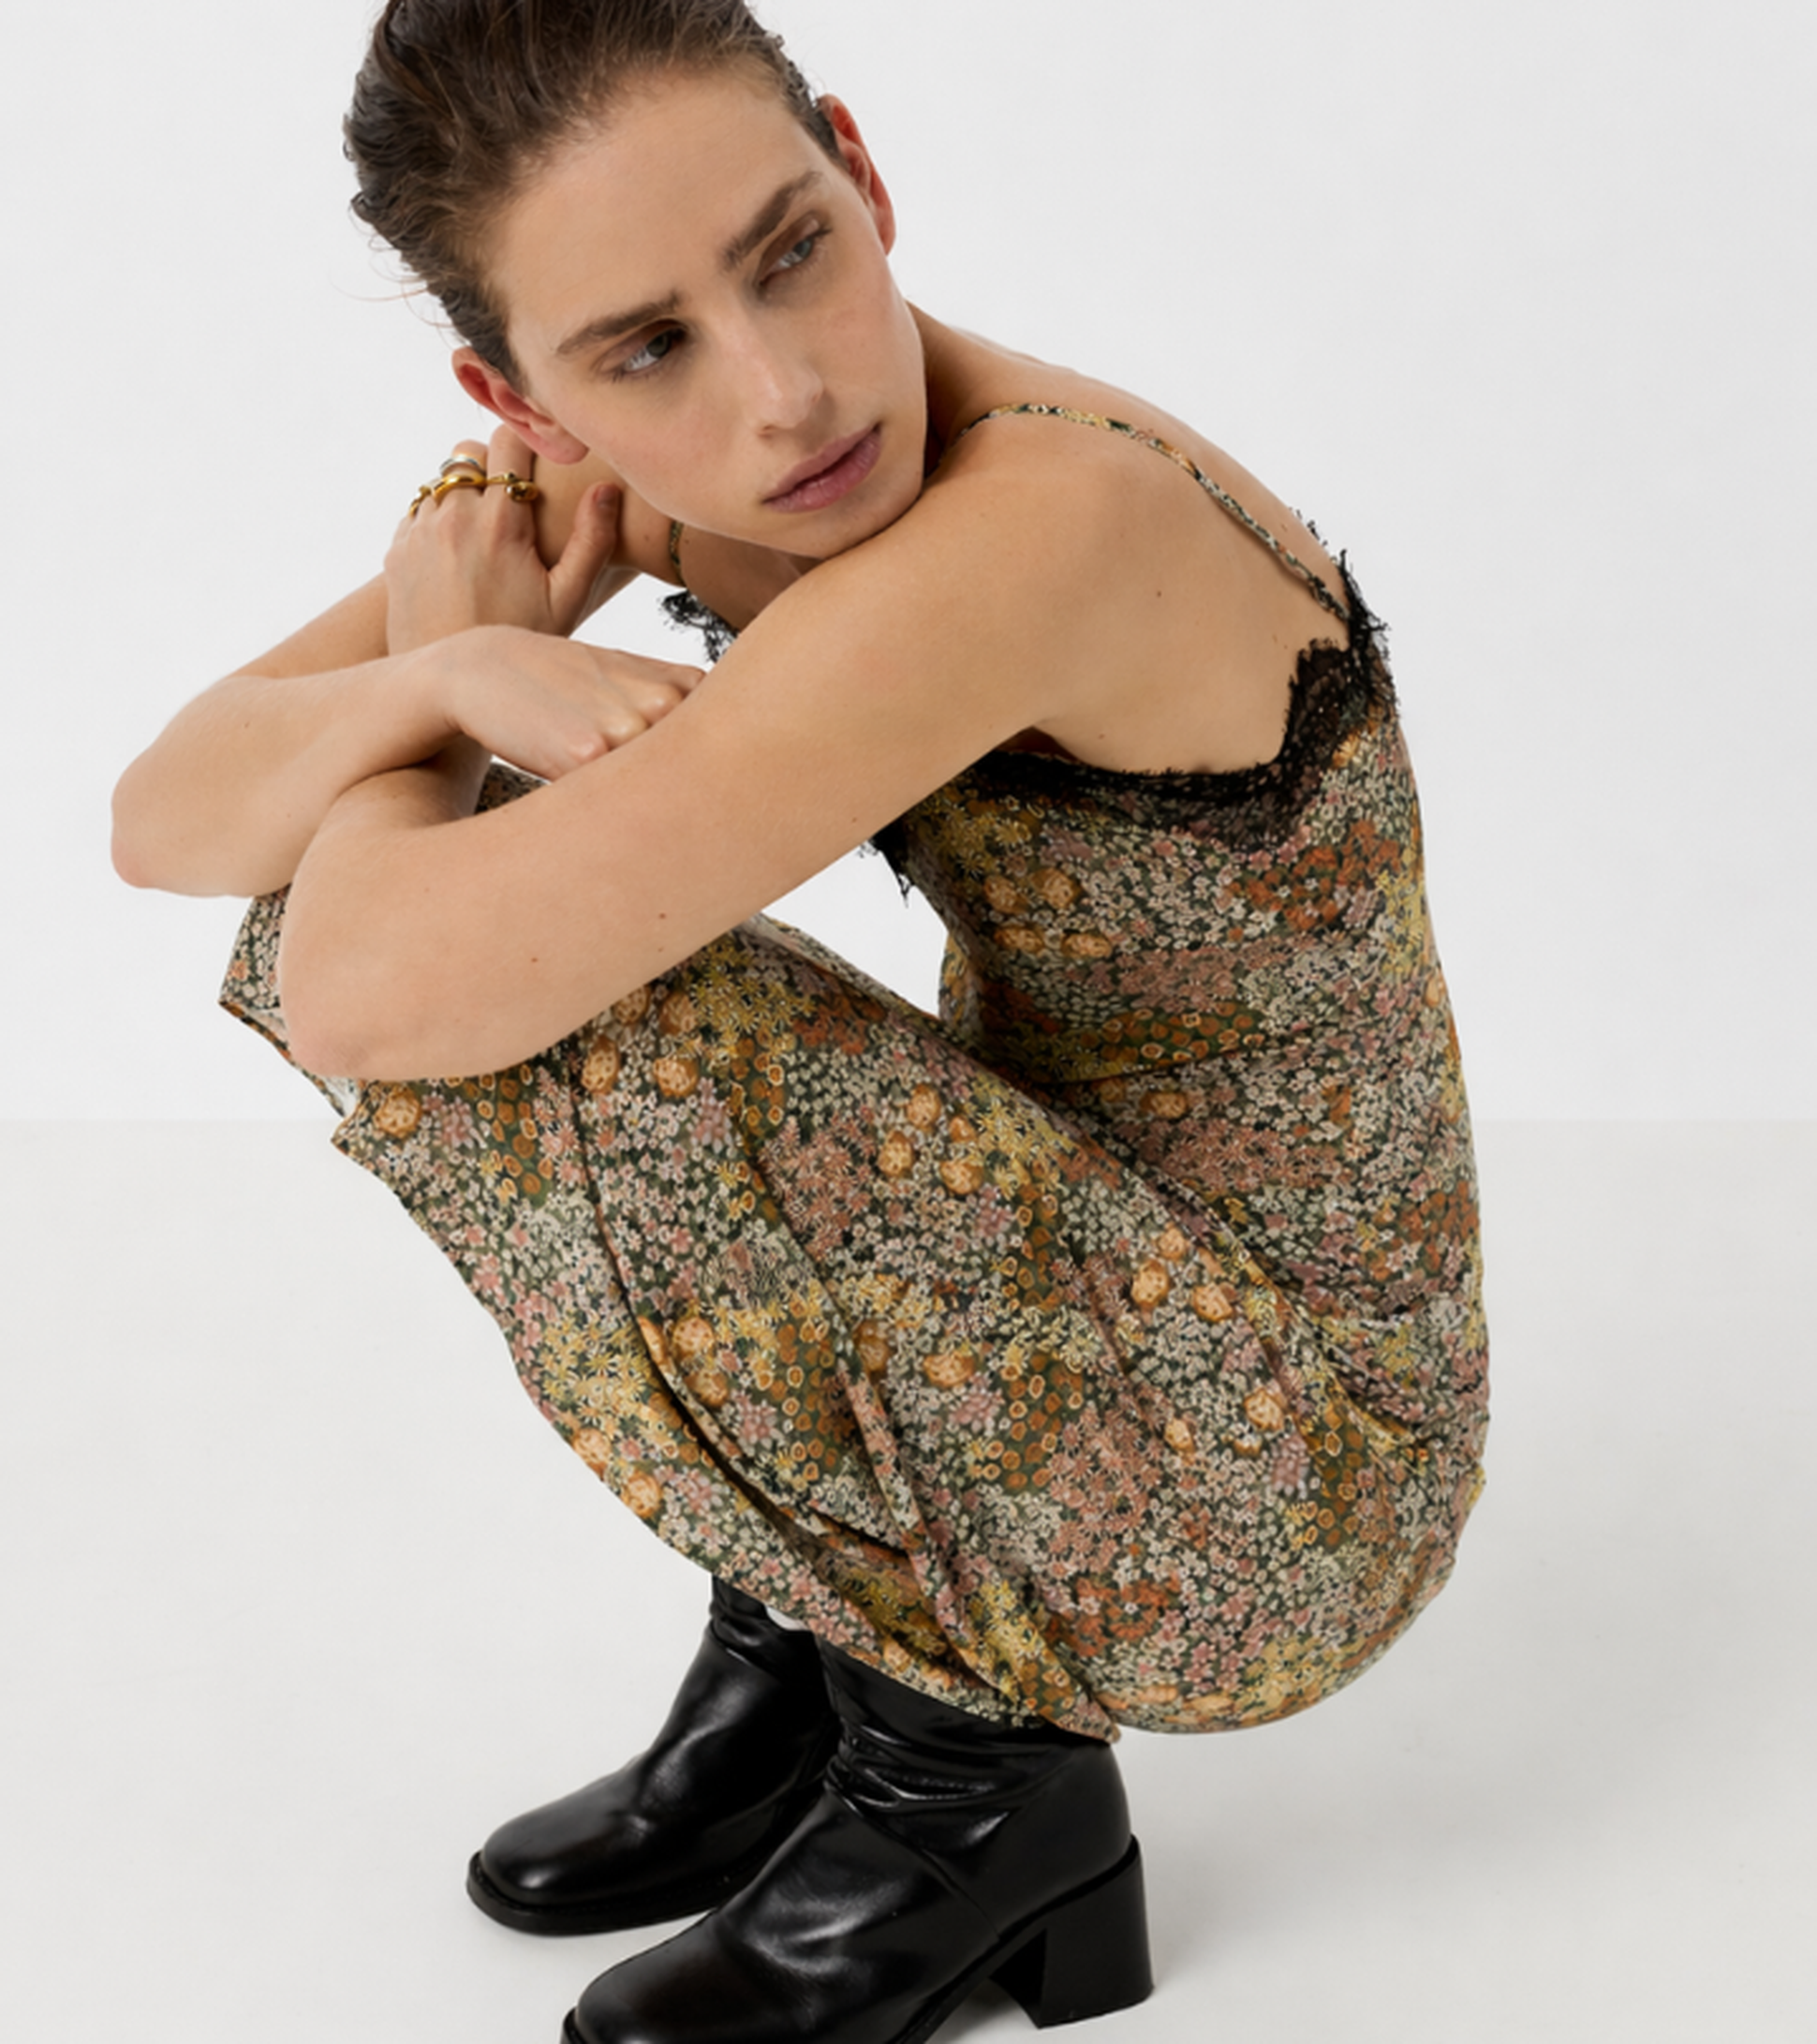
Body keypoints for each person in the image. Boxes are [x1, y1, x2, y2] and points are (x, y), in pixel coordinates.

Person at [111, 2, 1489, 2038]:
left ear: (862, 171)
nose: (783, 390)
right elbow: (165, 814)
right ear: (518, 396)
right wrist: (448, 682)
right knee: (425, 900)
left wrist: (454, 680)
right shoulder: (747, 477)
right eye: (645, 347)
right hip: (1088, 1322)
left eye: (790, 251)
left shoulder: (1040, 525)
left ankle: (972, 1794)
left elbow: (364, 987)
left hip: (1286, 1485)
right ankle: (820, 1651)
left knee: (565, 997)